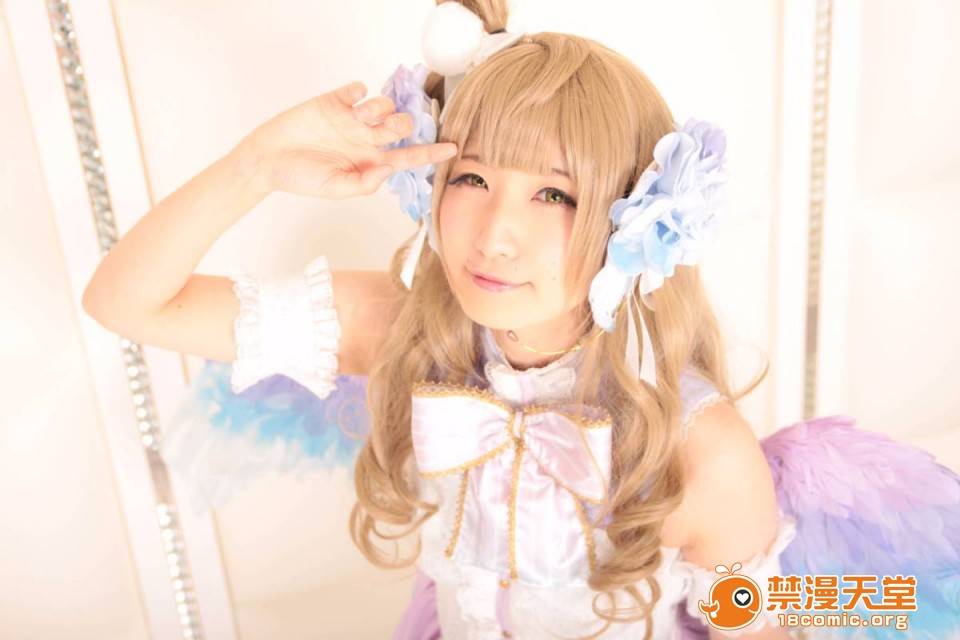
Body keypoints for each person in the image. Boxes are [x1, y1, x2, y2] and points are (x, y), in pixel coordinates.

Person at [83, 1, 960, 638]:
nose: (495, 234)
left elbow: (750, 621)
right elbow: (125, 303)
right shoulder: (400, 331)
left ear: (635, 222)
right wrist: (256, 166)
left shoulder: (703, 451)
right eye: (470, 177)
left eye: (554, 194)